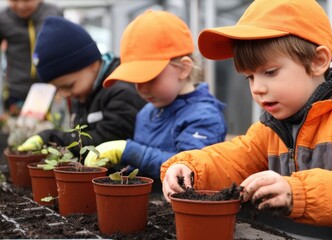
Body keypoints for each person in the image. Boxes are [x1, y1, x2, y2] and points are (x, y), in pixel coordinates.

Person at [160, 0, 332, 237]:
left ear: (318, 61)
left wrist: (298, 193)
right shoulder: (273, 128)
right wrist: (189, 167)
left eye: (270, 72)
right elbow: (233, 158)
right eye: (250, 77)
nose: (257, 88)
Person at [84, 10, 227, 180]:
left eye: (148, 77)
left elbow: (189, 170)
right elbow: (142, 171)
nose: (141, 88)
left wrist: (129, 151)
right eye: (135, 80)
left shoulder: (204, 117)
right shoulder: (147, 113)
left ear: (183, 69)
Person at [17, 16, 146, 157]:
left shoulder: (121, 89)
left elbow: (106, 140)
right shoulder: (85, 92)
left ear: (91, 64)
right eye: (58, 88)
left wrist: (51, 137)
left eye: (68, 85)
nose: (65, 94)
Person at [0, 0, 63, 114]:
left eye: (27, 0)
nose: (21, 6)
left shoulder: (53, 12)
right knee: (18, 128)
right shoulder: (3, 19)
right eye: (14, 0)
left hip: (50, 87)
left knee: (51, 127)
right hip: (17, 89)